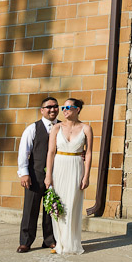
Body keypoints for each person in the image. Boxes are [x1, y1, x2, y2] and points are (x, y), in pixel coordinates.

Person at [45, 98, 93, 254]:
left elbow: (90, 153)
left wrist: (86, 176)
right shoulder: (56, 128)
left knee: (72, 205)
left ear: (77, 109)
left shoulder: (86, 128)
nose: (64, 110)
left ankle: (72, 243)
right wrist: (48, 175)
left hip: (76, 167)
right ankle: (60, 243)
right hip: (59, 167)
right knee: (58, 206)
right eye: (63, 107)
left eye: (68, 107)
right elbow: (50, 152)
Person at [16, 97, 60, 253]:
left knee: (52, 209)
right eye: (49, 107)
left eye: (55, 107)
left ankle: (50, 240)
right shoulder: (33, 128)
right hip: (34, 175)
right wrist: (24, 174)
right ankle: (26, 242)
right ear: (42, 110)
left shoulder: (62, 127)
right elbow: (24, 152)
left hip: (56, 175)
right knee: (30, 209)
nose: (52, 109)